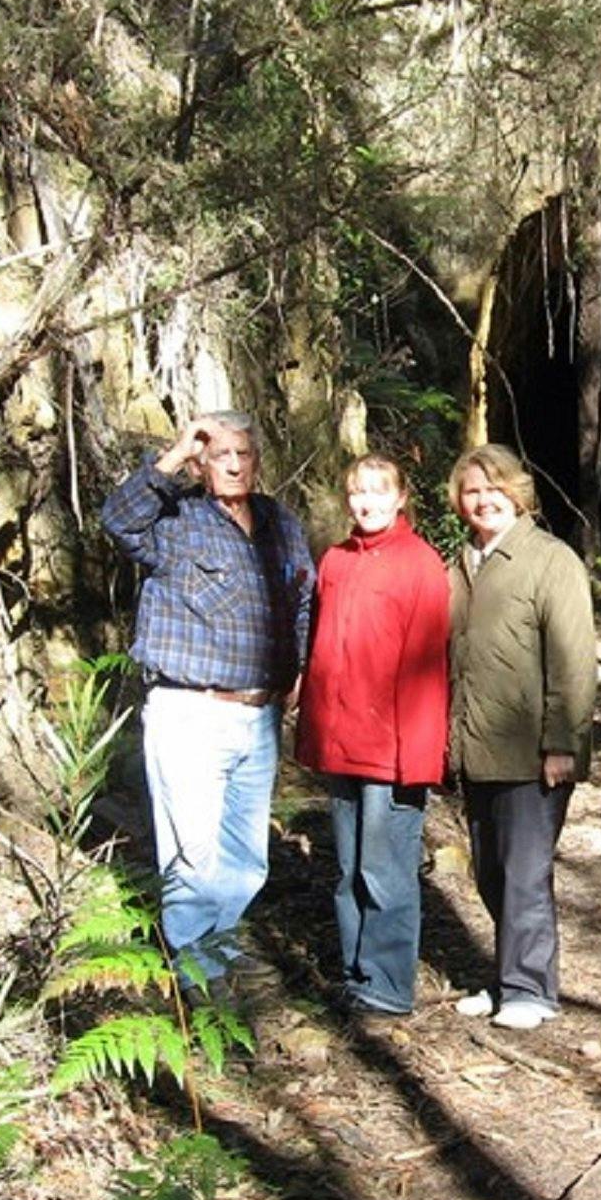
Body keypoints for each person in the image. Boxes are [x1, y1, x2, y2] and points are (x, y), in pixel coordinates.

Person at [100, 411, 314, 996]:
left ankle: (221, 949)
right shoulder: (174, 518)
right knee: (192, 851)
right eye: (220, 453)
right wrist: (174, 453)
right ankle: (198, 972)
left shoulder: (278, 522)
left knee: (246, 854)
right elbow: (117, 521)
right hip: (190, 709)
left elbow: (302, 598)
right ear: (199, 462)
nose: (234, 464)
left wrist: (295, 669)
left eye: (244, 453)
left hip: (259, 713)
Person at [445, 443, 597, 1032]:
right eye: (471, 490)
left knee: (525, 871)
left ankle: (531, 990)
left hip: (533, 752)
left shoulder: (549, 560)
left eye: (494, 488)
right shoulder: (459, 564)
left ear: (519, 493)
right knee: (489, 870)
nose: (483, 500)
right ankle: (508, 974)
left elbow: (574, 659)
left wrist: (562, 740)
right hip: (475, 746)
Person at [295, 455, 450, 1017]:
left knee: (384, 871)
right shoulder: (335, 561)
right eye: (358, 492)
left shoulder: (421, 565)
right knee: (347, 871)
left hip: (393, 751)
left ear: (402, 497)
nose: (368, 502)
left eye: (380, 492)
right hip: (342, 744)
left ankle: (387, 985)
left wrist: (422, 758)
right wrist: (312, 735)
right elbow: (320, 653)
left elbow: (431, 671)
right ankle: (355, 973)